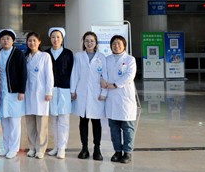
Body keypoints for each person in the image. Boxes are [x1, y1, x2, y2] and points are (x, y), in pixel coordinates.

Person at [70, 31, 108, 161]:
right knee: (83, 121)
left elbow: (105, 75)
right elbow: (75, 74)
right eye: (87, 41)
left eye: (92, 41)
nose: (89, 43)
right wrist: (73, 91)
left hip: (96, 94)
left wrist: (104, 93)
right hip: (82, 93)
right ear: (83, 42)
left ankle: (97, 149)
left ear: (96, 43)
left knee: (96, 122)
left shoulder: (101, 57)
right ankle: (84, 148)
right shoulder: (78, 56)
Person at [102, 35, 138, 164]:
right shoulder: (107, 59)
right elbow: (102, 74)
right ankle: (117, 151)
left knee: (127, 128)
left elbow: (130, 75)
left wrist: (115, 84)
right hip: (111, 98)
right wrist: (103, 82)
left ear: (124, 46)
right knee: (114, 128)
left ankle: (127, 152)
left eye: (119, 43)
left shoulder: (130, 59)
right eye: (114, 44)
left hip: (125, 97)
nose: (116, 46)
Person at [0, 29, 26, 159]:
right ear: (0, 41)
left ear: (13, 41)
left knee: (14, 122)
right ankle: (6, 147)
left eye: (8, 39)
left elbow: (23, 73)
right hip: (1, 92)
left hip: (14, 92)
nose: (5, 41)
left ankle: (14, 148)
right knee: (4, 121)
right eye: (3, 39)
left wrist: (22, 90)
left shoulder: (18, 54)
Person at [24, 32, 54, 159]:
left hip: (42, 94)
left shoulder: (45, 56)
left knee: (41, 124)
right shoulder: (26, 57)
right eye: (29, 41)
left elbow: (49, 75)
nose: (32, 43)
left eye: (34, 40)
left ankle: (41, 148)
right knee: (30, 123)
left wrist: (49, 92)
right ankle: (32, 147)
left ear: (39, 42)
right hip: (28, 93)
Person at [45, 27, 74, 159]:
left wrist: (73, 90)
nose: (55, 39)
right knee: (53, 120)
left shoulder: (68, 53)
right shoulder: (46, 54)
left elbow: (73, 73)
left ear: (62, 39)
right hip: (51, 90)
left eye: (58, 37)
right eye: (53, 37)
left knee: (63, 120)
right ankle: (56, 146)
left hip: (65, 89)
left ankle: (62, 147)